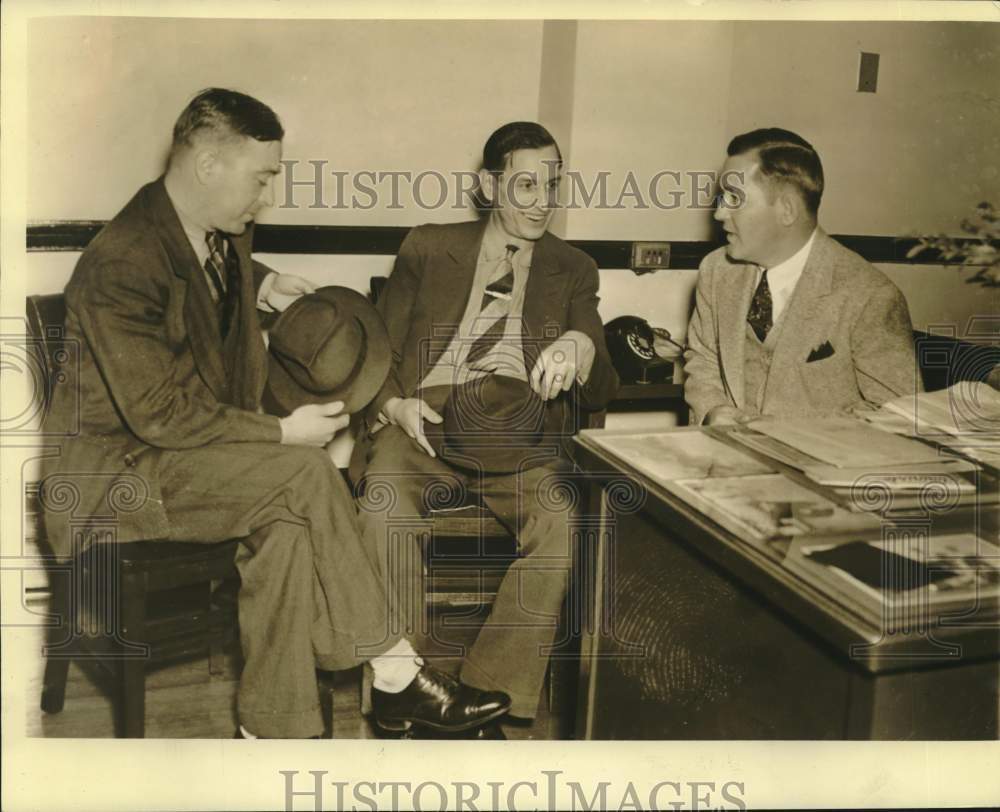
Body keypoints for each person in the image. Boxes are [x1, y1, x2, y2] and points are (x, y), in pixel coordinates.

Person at [39, 88, 509, 739]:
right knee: (303, 472)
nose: (268, 195)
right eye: (261, 177)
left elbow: (200, 277)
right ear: (207, 167)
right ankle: (398, 673)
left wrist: (263, 282)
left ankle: (272, 731)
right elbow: (159, 413)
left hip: (178, 465)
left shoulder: (213, 226)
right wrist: (283, 430)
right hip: (112, 482)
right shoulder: (119, 263)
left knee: (290, 523)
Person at [350, 121, 618, 730]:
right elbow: (378, 354)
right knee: (384, 503)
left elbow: (603, 388)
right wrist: (393, 408)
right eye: (524, 184)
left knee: (561, 515)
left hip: (517, 431)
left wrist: (581, 345)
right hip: (424, 422)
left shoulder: (572, 267)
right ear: (487, 185)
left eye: (552, 185)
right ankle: (406, 686)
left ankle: (488, 691)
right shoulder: (428, 245)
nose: (540, 201)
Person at [685, 127, 921, 425]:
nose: (719, 214)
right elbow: (703, 358)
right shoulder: (717, 270)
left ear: (786, 210)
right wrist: (712, 411)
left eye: (734, 199)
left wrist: (792, 432)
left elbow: (897, 416)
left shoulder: (869, 295)